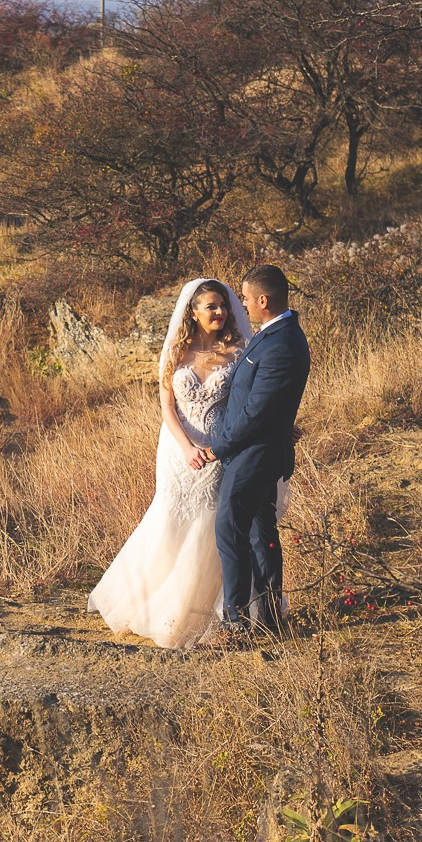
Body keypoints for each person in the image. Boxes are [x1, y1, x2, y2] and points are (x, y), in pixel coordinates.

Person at [88, 278, 258, 649]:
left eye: (223, 305)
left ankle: (202, 613)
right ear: (193, 313)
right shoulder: (175, 352)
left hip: (218, 452)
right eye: (211, 306)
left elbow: (251, 400)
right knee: (169, 516)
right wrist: (185, 448)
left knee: (211, 524)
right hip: (178, 452)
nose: (220, 312)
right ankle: (148, 602)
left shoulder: (238, 350)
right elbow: (166, 406)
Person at [196, 264, 310, 640]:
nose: (241, 304)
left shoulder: (282, 344)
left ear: (263, 300)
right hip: (257, 453)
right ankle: (270, 617)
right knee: (262, 535)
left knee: (230, 530)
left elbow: (256, 413)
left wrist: (219, 448)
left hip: (254, 457)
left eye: (245, 298)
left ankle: (236, 621)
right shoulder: (275, 335)